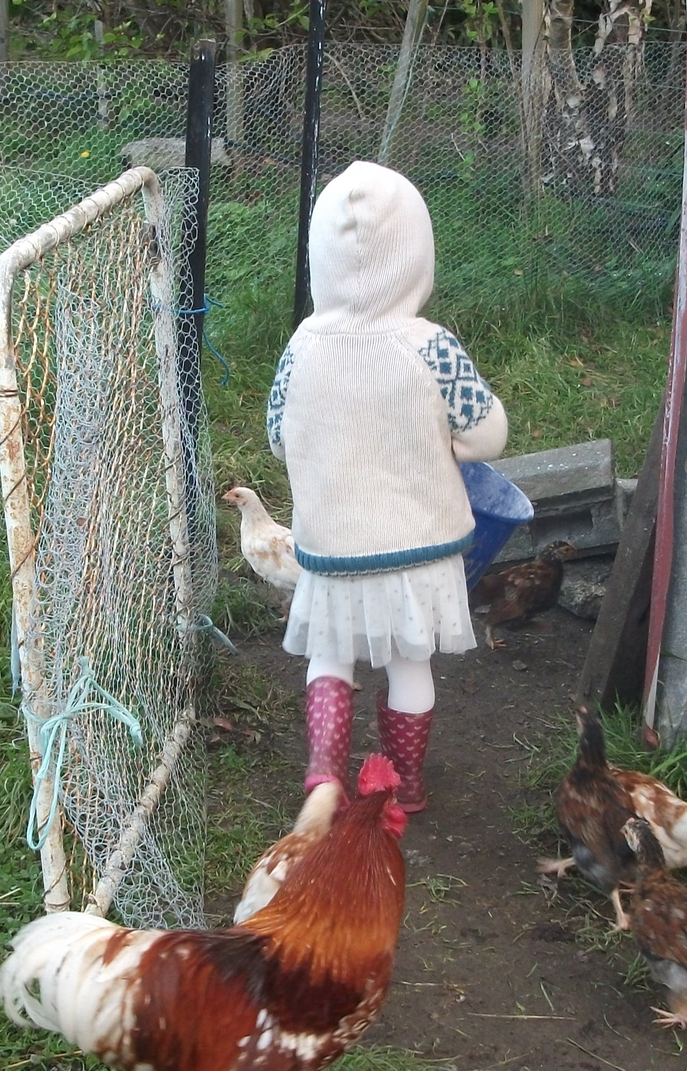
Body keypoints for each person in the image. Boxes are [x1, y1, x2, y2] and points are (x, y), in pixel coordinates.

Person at [266, 160, 508, 812]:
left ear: (318, 257)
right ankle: (404, 784)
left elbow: (278, 435)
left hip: (332, 544)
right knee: (409, 663)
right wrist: (448, 445)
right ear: (416, 255)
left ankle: (326, 776)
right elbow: (488, 434)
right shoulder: (433, 347)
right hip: (417, 547)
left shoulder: (301, 346)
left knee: (328, 656)